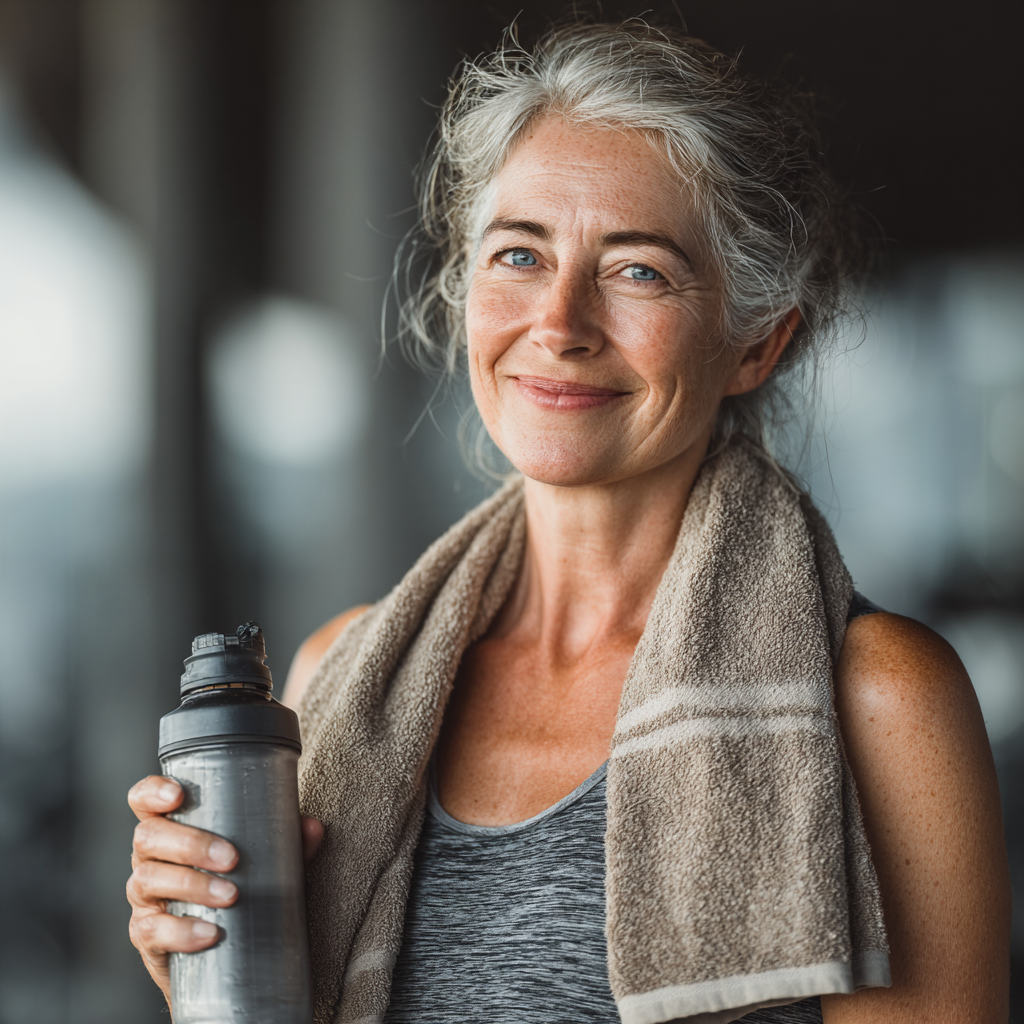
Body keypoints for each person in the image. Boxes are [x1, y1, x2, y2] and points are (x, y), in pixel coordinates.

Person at [126, 20, 1010, 1024]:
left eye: (637, 270)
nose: (557, 322)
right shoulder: (341, 676)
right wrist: (201, 968)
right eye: (518, 254)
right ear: (464, 293)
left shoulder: (882, 700)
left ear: (757, 341)